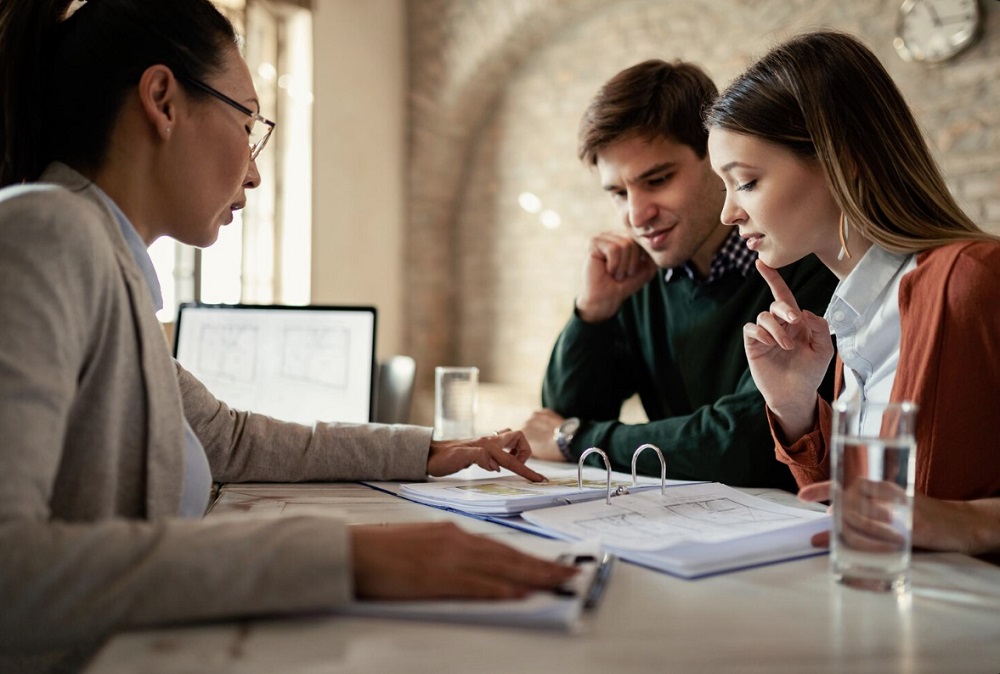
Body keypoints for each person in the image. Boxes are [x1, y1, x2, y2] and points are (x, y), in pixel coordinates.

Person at [0, 1, 576, 670]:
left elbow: (231, 439)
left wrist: (432, 450)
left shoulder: (107, 263)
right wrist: (345, 555)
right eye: (247, 122)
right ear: (162, 100)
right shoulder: (47, 234)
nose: (254, 171)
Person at [703, 30, 1000, 555]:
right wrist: (795, 407)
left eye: (745, 182)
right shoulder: (853, 314)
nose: (728, 213)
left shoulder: (973, 279)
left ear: (844, 159)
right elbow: (852, 515)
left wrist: (972, 524)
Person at [522, 59, 837, 488]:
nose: (636, 215)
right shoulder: (638, 278)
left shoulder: (806, 258)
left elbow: (745, 443)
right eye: (618, 192)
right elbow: (560, 419)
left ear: (715, 158)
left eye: (657, 180)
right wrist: (593, 313)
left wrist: (579, 439)